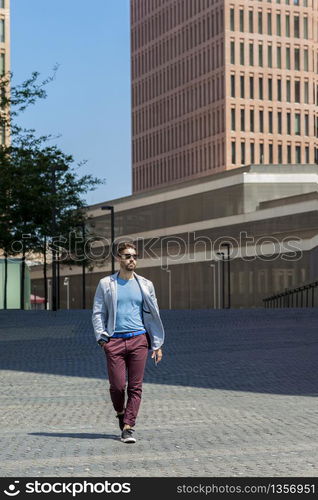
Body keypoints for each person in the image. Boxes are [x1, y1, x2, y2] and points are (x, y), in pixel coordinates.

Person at [92, 241, 165, 443]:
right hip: (114, 340)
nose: (132, 259)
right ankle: (120, 412)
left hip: (138, 339)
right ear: (119, 259)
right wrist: (102, 338)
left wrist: (157, 344)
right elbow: (98, 312)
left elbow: (154, 316)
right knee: (117, 386)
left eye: (134, 256)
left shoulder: (146, 285)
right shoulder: (106, 284)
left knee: (135, 386)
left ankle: (128, 427)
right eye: (127, 256)